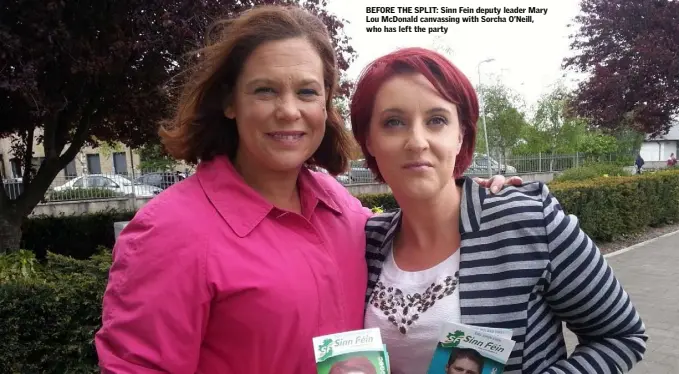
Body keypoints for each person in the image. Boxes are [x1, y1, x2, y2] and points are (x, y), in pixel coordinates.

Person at [94, 5, 518, 373]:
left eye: (307, 92)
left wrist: (475, 195)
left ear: (325, 105)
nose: (288, 110)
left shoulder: (341, 208)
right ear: (229, 102)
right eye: (265, 90)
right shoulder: (170, 232)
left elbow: (415, 229)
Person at [351, 47, 647, 374]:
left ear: (461, 135)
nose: (417, 141)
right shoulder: (369, 243)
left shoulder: (527, 221)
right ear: (370, 140)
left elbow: (621, 334)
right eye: (394, 122)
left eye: (437, 120)